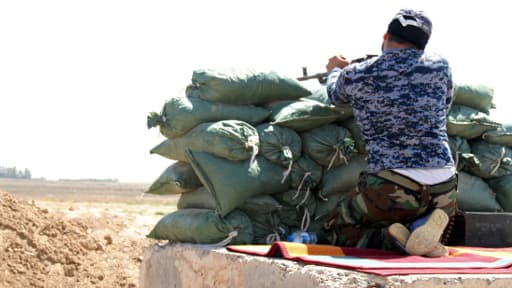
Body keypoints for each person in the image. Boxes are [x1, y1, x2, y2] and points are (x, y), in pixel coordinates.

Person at [323, 9, 458, 257]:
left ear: (386, 35)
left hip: (392, 186)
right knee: (408, 212)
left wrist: (336, 69)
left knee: (337, 228)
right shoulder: (440, 66)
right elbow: (444, 107)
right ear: (422, 46)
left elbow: (335, 95)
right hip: (444, 188)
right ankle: (420, 228)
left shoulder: (357, 73)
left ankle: (393, 241)